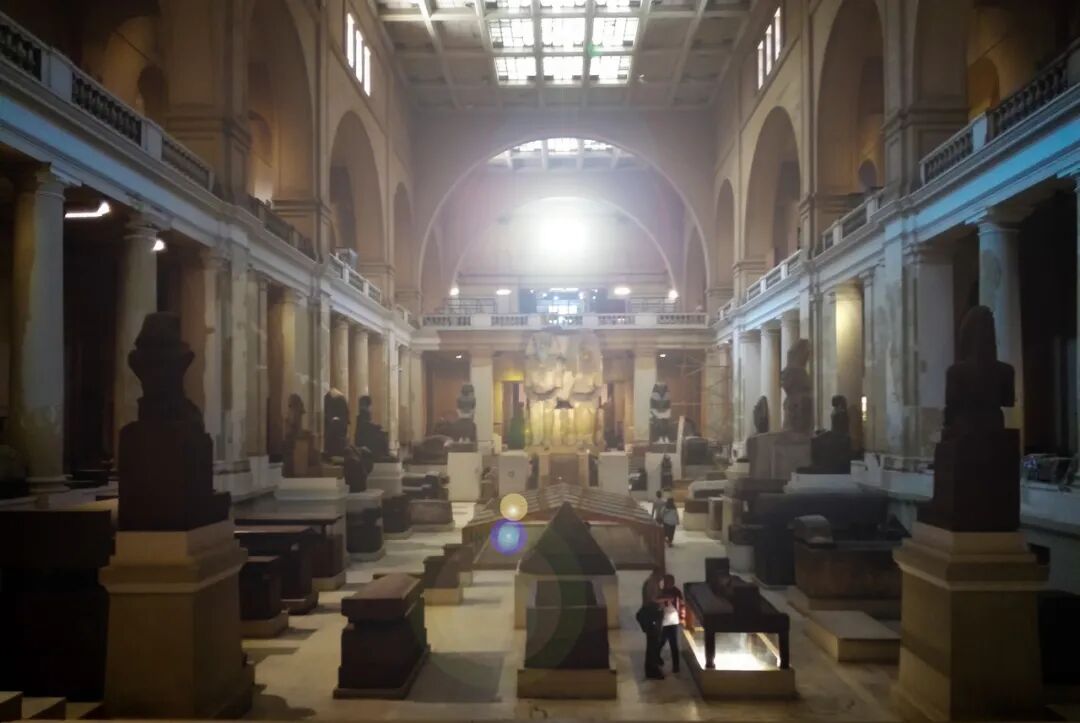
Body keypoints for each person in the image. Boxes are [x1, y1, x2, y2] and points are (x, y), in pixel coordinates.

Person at [636, 567, 665, 679]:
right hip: (651, 615)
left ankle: (653, 667)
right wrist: (665, 600)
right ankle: (652, 670)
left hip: (653, 615)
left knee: (653, 643)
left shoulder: (653, 582)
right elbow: (652, 599)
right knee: (652, 644)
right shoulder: (651, 583)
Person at [657, 574, 684, 674]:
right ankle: (657, 658)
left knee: (672, 643)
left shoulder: (675, 591)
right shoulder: (663, 591)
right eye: (666, 582)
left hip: (672, 620)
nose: (666, 583)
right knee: (662, 641)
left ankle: (676, 666)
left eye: (668, 582)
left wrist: (682, 617)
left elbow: (681, 603)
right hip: (665, 619)